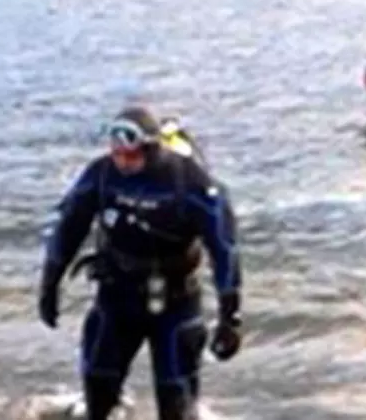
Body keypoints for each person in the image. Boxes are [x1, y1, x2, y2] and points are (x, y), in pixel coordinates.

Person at [37, 106, 243, 420]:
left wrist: (230, 316)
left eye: (131, 156)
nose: (123, 163)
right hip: (117, 295)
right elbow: (69, 227)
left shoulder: (189, 183)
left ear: (151, 149)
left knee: (176, 401)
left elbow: (224, 249)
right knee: (98, 390)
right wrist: (50, 284)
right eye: (117, 154)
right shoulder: (102, 175)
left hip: (175, 302)